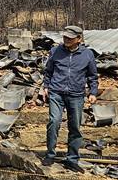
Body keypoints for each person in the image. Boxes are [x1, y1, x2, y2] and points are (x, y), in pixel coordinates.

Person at [39, 25, 99, 171]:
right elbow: (48, 71)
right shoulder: (55, 51)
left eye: (70, 38)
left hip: (76, 95)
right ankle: (50, 154)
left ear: (79, 39)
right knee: (54, 121)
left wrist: (93, 92)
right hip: (56, 92)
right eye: (65, 37)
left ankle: (72, 159)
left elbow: (92, 76)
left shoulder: (87, 54)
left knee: (75, 127)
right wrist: (46, 86)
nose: (66, 40)